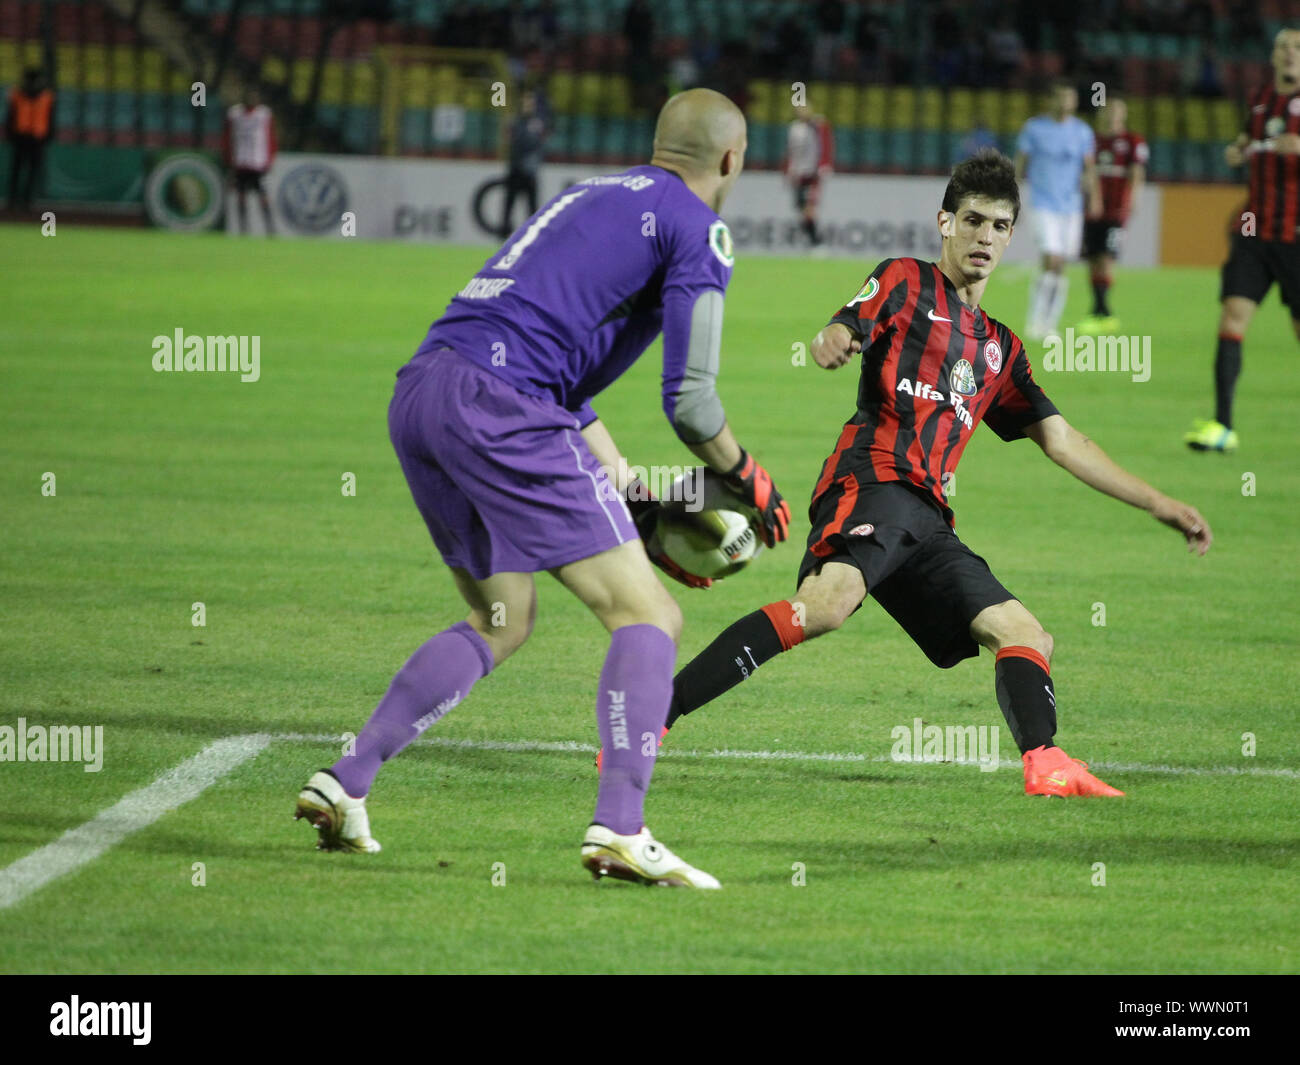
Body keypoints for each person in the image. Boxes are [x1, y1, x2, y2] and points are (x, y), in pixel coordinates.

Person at [294, 89, 792, 889]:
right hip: (503, 405)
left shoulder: (588, 193)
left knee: (501, 616)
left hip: (426, 391)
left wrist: (626, 487)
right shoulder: (701, 228)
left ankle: (346, 779)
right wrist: (745, 474)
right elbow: (689, 399)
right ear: (733, 159)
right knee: (649, 612)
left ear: (658, 143)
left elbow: (557, 369)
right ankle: (621, 827)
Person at [653, 151, 1212, 800]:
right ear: (944, 222)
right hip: (872, 482)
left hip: (927, 518)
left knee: (1027, 633)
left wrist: (1160, 503)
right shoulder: (904, 281)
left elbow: (1062, 440)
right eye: (972, 220)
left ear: (1011, 236)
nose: (984, 236)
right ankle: (655, 717)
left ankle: (1046, 758)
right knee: (826, 607)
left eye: (1000, 226)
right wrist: (830, 338)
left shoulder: (1000, 347)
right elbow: (845, 323)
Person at [1185, 28, 1300, 453]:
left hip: (1296, 236)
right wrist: (1238, 150)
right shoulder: (1259, 100)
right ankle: (1223, 426)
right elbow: (1248, 144)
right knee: (1232, 320)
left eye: (1297, 48)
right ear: (1273, 56)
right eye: (1283, 47)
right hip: (1254, 232)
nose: (1290, 54)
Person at [1014, 82, 1100, 341]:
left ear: (1075, 102)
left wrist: (1094, 196)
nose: (1065, 103)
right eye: (1061, 98)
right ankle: (1035, 321)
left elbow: (1089, 167)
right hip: (1042, 203)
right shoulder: (1034, 128)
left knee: (1060, 264)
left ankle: (1048, 324)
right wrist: (1013, 196)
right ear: (1051, 100)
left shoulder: (1083, 131)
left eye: (1070, 98)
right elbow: (1021, 164)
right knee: (1051, 257)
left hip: (1071, 206)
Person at [1078, 98, 1147, 334]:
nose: (1112, 116)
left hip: (1117, 209)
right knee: (1093, 258)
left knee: (1108, 257)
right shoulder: (1091, 141)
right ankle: (1098, 310)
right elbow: (1086, 172)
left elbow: (1137, 173)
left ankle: (1103, 310)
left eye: (1117, 111)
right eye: (1109, 111)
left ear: (1124, 114)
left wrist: (1132, 200)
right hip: (1091, 209)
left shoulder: (1132, 141)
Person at [222, 87, 276, 235]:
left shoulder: (264, 114)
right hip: (241, 162)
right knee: (241, 196)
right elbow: (227, 138)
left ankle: (270, 228)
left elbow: (271, 137)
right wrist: (228, 159)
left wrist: (269, 159)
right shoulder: (234, 114)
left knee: (263, 196)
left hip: (258, 163)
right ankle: (243, 229)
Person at [785, 104, 834, 250]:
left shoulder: (818, 124)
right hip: (798, 173)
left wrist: (825, 164)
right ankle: (812, 240)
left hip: (812, 173)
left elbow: (827, 144)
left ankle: (816, 242)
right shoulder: (794, 128)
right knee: (800, 209)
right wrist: (788, 170)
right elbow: (791, 150)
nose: (801, 112)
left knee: (809, 208)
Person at [6, 68, 54, 212]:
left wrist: (47, 137)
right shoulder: (16, 94)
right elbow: (11, 116)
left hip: (37, 138)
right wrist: (11, 135)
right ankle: (13, 200)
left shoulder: (47, 96)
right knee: (17, 170)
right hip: (20, 137)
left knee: (32, 171)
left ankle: (27, 201)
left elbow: (50, 118)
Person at [500, 88, 546, 238]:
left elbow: (538, 143)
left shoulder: (537, 123)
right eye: (525, 102)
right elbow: (510, 140)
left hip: (530, 170)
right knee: (509, 204)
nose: (528, 105)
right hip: (516, 169)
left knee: (531, 207)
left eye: (530, 102)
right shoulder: (515, 122)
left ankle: (532, 237)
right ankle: (504, 234)